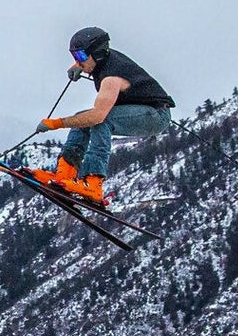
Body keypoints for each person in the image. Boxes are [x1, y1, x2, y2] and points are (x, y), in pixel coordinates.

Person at [26, 27, 176, 205]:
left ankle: (93, 183)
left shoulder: (111, 78)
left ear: (96, 54)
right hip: (142, 108)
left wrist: (56, 123)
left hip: (155, 115)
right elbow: (92, 63)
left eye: (81, 57)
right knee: (81, 118)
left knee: (101, 121)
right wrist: (78, 66)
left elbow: (97, 116)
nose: (78, 61)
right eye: (75, 57)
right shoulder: (102, 58)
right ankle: (64, 175)